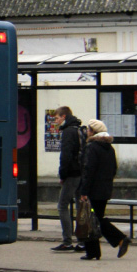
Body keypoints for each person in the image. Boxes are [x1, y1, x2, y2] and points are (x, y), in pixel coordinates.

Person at [76, 119, 130, 260]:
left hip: (92, 191)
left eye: (88, 129)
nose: (87, 132)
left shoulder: (92, 147)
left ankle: (119, 239)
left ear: (93, 132)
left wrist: (84, 191)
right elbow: (114, 169)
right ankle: (95, 251)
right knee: (95, 218)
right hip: (104, 190)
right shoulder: (109, 148)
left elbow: (88, 170)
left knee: (91, 219)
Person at [50, 106, 86, 252]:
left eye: (57, 118)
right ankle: (82, 241)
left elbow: (65, 156)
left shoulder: (68, 132)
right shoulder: (79, 129)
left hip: (71, 174)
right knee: (79, 206)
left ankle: (67, 241)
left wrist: (62, 175)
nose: (56, 121)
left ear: (64, 116)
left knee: (62, 205)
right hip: (81, 173)